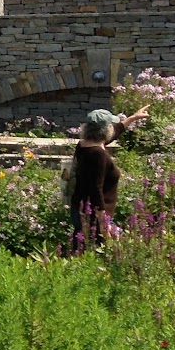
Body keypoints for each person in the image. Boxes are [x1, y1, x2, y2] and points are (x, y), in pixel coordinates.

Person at [67, 105, 149, 250]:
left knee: (81, 248)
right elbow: (95, 190)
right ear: (106, 129)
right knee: (97, 250)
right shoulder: (99, 155)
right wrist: (104, 222)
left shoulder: (83, 145)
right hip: (93, 215)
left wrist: (132, 118)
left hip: (80, 208)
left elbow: (113, 133)